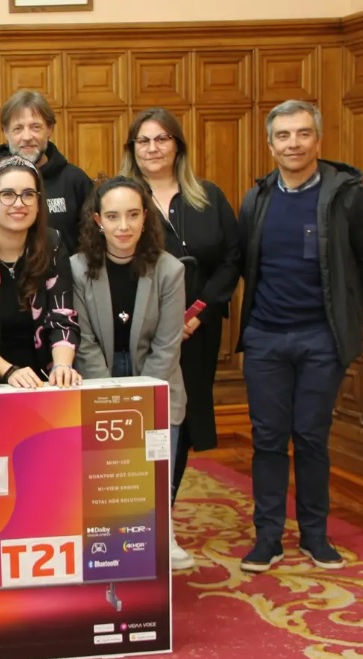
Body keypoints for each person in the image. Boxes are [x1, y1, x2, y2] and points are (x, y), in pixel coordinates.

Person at [235, 100, 363, 573]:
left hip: (320, 341)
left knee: (310, 437)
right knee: (267, 440)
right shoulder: (257, 198)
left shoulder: (346, 196)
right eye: (283, 136)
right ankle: (267, 539)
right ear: (270, 145)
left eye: (303, 133)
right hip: (265, 338)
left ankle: (314, 536)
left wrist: (344, 309)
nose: (294, 144)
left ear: (318, 139)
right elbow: (246, 264)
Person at [118, 107, 240, 512]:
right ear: (132, 149)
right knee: (140, 422)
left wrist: (196, 314)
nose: (152, 148)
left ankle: (164, 511)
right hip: (142, 333)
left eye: (162, 138)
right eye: (143, 140)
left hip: (197, 332)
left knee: (181, 420)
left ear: (177, 146)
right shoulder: (121, 199)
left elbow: (231, 260)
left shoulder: (208, 197)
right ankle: (136, 511)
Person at [70, 176, 189, 568]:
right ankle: (108, 537)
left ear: (145, 218)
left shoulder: (169, 270)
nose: (124, 226)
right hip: (98, 372)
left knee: (154, 463)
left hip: (156, 375)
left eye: (133, 215)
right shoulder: (77, 268)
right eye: (113, 216)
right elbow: (84, 341)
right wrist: (111, 400)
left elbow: (167, 345)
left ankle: (162, 531)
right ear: (97, 220)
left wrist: (143, 399)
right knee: (109, 469)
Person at [0, 156, 81, 389]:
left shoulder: (53, 244)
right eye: (7, 194)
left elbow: (62, 317)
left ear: (38, 203)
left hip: (46, 378)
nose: (19, 203)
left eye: (28, 194)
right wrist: (9, 372)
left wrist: (62, 366)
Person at [0, 89, 93, 254]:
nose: (27, 137)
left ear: (50, 129)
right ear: (5, 131)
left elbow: (92, 242)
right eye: (18, 129)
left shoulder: (76, 181)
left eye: (36, 127)